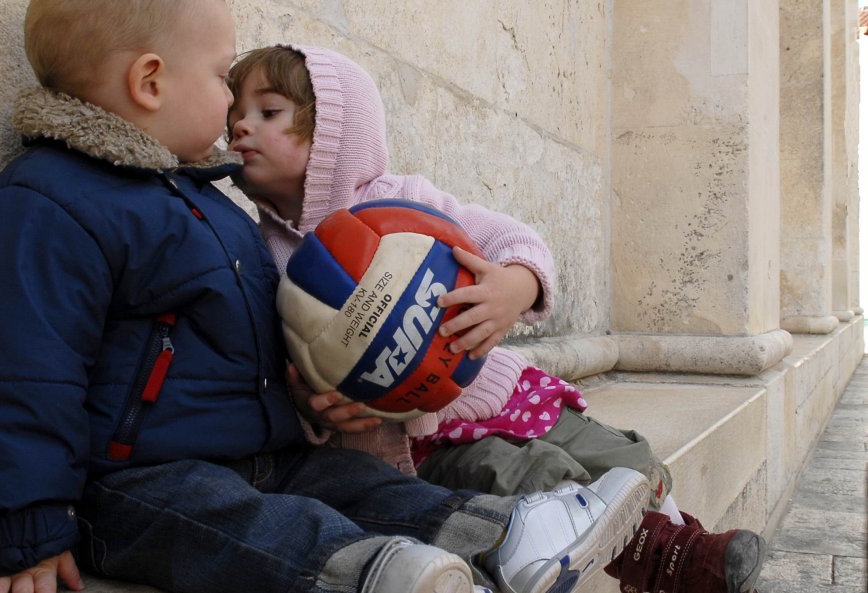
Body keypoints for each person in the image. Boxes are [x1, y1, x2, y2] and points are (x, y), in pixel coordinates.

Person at [0, 3, 651, 593]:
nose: (228, 107)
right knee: (233, 520)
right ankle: (361, 572)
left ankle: (506, 537)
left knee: (365, 485)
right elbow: (14, 373)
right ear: (150, 81)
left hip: (270, 453)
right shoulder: (45, 203)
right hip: (138, 480)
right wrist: (19, 527)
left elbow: (262, 343)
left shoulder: (213, 208)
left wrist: (309, 402)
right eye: (222, 77)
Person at [225, 44, 767, 593]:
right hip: (419, 446)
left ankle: (681, 544)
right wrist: (318, 412)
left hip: (495, 389)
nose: (241, 128)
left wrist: (515, 286)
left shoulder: (404, 203)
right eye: (233, 116)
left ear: (337, 132)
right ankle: (669, 561)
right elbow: (289, 375)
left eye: (268, 112)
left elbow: (511, 239)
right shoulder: (263, 257)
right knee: (537, 480)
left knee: (625, 457)